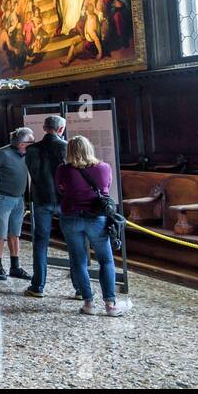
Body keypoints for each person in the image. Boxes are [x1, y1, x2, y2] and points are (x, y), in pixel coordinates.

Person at [56, 136, 126, 316]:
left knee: (78, 261)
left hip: (71, 216)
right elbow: (106, 187)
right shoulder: (104, 168)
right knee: (106, 260)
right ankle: (110, 304)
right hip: (96, 218)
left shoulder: (63, 169)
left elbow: (60, 189)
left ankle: (88, 302)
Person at [24, 114, 67, 297]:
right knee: (73, 242)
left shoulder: (32, 149)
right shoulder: (65, 146)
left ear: (44, 127)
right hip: (64, 199)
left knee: (40, 243)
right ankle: (80, 289)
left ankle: (38, 286)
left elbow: (33, 173)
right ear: (61, 129)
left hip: (41, 199)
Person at [0, 128, 35, 282]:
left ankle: (15, 266)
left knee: (15, 234)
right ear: (22, 144)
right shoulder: (2, 154)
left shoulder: (27, 154)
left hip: (19, 199)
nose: (33, 143)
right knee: (0, 234)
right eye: (31, 141)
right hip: (3, 199)